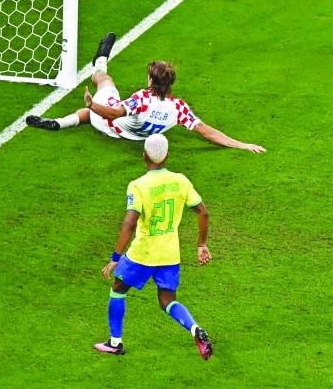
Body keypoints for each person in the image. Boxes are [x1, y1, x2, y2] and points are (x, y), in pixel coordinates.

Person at [25, 32, 266, 152]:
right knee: (91, 114)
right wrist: (242, 144)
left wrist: (93, 105)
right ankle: (60, 123)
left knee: (105, 81)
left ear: (151, 79)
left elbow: (113, 114)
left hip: (113, 127)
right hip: (136, 136)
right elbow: (206, 132)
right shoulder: (179, 107)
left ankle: (99, 61)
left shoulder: (141, 99)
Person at [93, 134, 215, 359]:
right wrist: (201, 244)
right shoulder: (181, 180)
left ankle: (115, 342)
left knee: (118, 289)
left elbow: (129, 223)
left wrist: (115, 257)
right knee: (168, 301)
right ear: (167, 155)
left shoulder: (138, 185)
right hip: (170, 253)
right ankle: (194, 329)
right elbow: (203, 212)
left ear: (143, 156)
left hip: (143, 253)